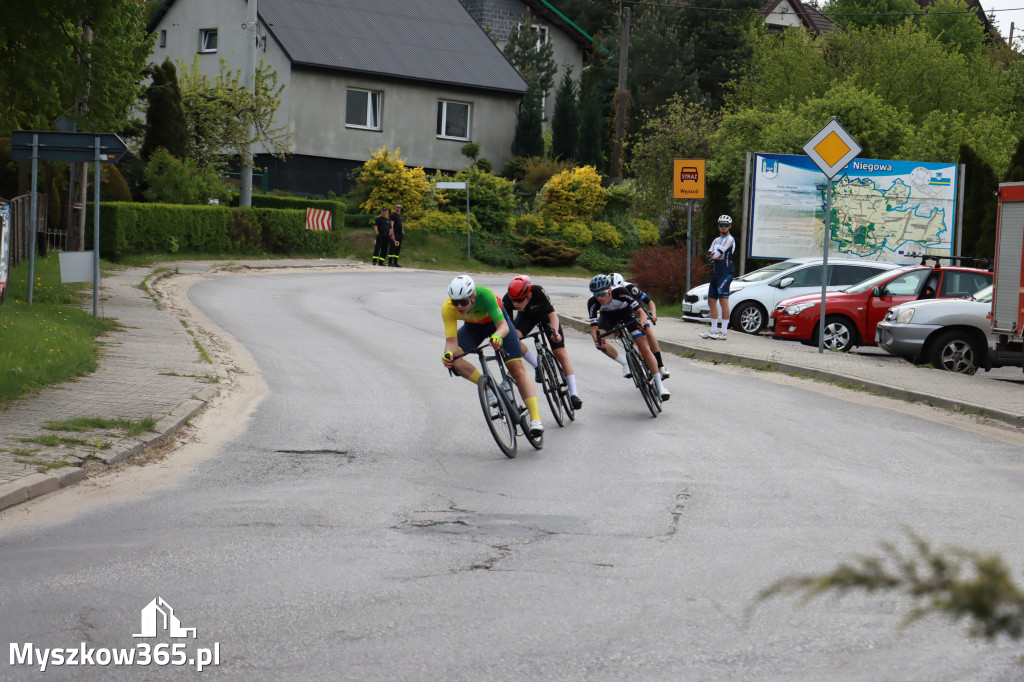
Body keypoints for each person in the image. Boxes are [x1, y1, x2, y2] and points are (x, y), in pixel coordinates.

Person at [441, 275, 544, 436]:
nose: (459, 306)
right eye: (455, 302)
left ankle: (535, 419)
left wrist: (497, 336)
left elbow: (503, 326)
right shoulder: (448, 308)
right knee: (454, 361)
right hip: (473, 328)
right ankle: (488, 387)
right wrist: (448, 353)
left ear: (473, 296)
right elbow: (451, 343)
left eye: (463, 302)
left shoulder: (486, 296)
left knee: (516, 368)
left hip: (497, 324)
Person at [501, 275, 583, 410]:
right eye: (514, 300)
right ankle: (537, 366)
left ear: (529, 294)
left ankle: (574, 394)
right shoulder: (507, 300)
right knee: (513, 340)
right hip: (526, 319)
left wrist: (555, 332)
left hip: (545, 317)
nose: (516, 303)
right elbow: (508, 329)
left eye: (520, 300)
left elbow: (552, 315)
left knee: (560, 353)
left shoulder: (538, 291)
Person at [587, 274, 669, 401]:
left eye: (602, 293)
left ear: (609, 290)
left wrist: (642, 323)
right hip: (607, 316)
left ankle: (660, 386)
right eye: (596, 295)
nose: (600, 298)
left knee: (643, 346)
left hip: (626, 312)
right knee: (599, 342)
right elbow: (594, 328)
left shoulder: (620, 292)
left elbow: (640, 311)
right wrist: (598, 340)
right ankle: (625, 364)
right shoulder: (592, 302)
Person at [610, 273, 669, 379]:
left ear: (622, 285)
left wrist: (653, 314)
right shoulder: (608, 293)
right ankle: (635, 352)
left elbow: (650, 302)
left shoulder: (631, 288)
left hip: (636, 307)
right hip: (621, 311)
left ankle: (660, 365)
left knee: (647, 331)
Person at [700, 214, 736, 340]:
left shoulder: (729, 239)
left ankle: (724, 332)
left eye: (726, 225)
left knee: (723, 301)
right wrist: (712, 256)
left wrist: (712, 257)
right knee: (711, 301)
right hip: (716, 273)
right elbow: (709, 255)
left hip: (726, 273)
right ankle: (714, 331)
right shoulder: (716, 240)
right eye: (721, 224)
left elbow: (717, 254)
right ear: (718, 226)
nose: (723, 227)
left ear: (730, 226)